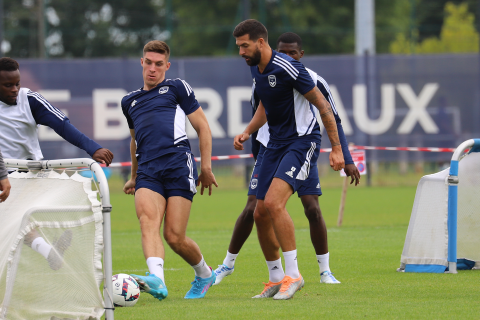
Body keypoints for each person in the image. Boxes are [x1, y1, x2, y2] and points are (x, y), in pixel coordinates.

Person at [214, 32, 360, 286]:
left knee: (310, 208)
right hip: (273, 147)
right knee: (256, 210)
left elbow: (330, 114)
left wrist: (342, 154)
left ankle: (317, 272)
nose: (287, 57)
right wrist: (248, 134)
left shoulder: (309, 78)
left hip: (301, 147)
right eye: (283, 52)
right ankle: (259, 272)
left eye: (292, 53)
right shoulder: (258, 69)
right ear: (274, 49)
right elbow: (262, 109)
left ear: (300, 55)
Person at [123, 40, 218, 300]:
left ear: (167, 65)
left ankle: (204, 274)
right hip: (148, 170)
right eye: (148, 63)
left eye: (158, 64)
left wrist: (206, 167)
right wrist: (133, 176)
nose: (152, 69)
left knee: (174, 236)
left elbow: (203, 128)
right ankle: (158, 280)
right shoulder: (128, 101)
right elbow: (135, 140)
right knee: (148, 222)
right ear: (142, 63)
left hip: (178, 163)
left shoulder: (176, 87)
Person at [0, 57, 114, 271]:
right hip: (4, 177)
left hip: (28, 175)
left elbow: (62, 125)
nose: (15, 89)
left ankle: (49, 251)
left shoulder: (30, 100)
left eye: (17, 83)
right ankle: (50, 253)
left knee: (15, 223)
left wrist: (92, 148)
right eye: (8, 85)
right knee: (16, 225)